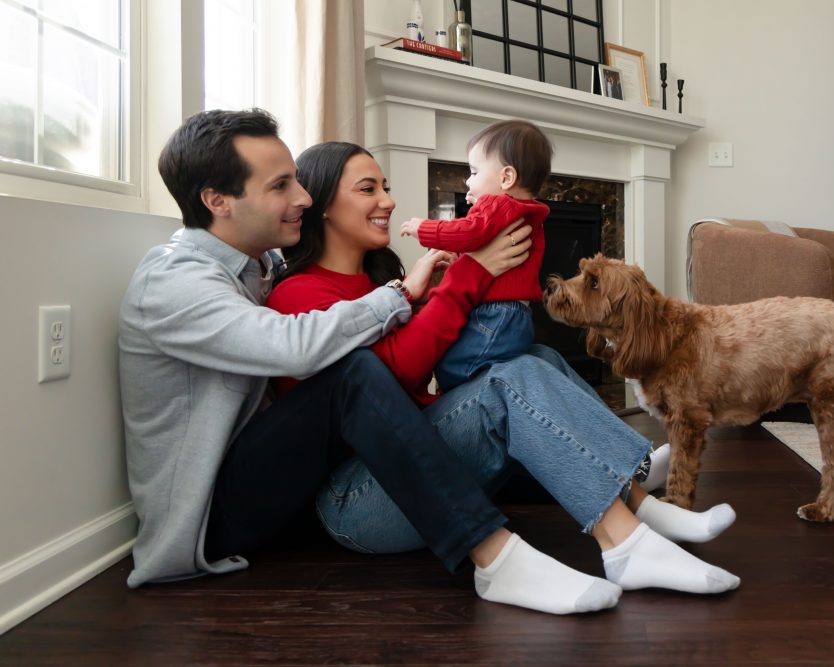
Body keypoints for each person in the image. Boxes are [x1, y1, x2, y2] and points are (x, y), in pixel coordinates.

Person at [267, 140, 742, 614]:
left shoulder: (383, 284)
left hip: (421, 471)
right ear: (323, 204)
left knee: (534, 355)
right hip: (358, 499)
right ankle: (627, 537)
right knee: (508, 379)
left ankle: (633, 493)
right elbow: (392, 375)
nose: (388, 201)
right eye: (368, 189)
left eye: (385, 187)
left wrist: (444, 288)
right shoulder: (297, 294)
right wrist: (470, 275)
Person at [118, 109, 541, 609]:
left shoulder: (259, 267)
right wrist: (403, 292)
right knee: (352, 372)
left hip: (276, 480)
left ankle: (617, 487)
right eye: (281, 186)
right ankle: (495, 556)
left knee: (530, 362)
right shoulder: (175, 282)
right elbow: (295, 347)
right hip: (209, 516)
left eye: (298, 182)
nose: (302, 198)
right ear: (217, 201)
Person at [397, 119, 550, 391]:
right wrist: (460, 259)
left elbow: (471, 231)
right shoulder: (527, 213)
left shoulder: (498, 204)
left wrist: (424, 228)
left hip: (495, 314)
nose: (468, 181)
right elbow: (486, 248)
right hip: (518, 315)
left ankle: (462, 402)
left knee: (452, 368)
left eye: (474, 172)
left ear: (506, 178)